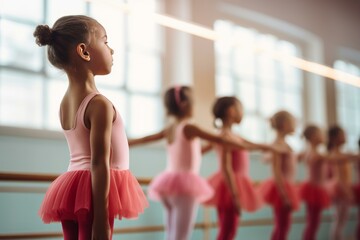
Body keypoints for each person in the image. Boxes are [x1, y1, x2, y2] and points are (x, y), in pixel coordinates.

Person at [35, 15, 148, 240]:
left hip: (72, 187)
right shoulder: (99, 104)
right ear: (84, 52)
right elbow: (98, 163)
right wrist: (101, 220)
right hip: (94, 192)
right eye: (105, 42)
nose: (112, 50)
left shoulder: (65, 103)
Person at [129, 86, 260, 240]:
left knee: (171, 234)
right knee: (181, 236)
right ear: (185, 105)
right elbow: (220, 139)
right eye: (193, 103)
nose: (195, 106)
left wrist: (124, 142)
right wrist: (258, 146)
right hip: (185, 187)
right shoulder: (189, 127)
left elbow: (144, 139)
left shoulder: (171, 128)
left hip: (167, 185)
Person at [204, 96, 279, 240]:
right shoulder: (225, 135)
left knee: (229, 230)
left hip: (232, 185)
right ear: (231, 111)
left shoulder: (234, 136)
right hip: (230, 185)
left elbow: (253, 145)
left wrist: (273, 146)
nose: (243, 113)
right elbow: (226, 167)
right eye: (241, 109)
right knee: (227, 230)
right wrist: (235, 195)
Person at [259, 110, 300, 240]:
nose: (295, 125)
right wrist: (284, 195)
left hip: (287, 186)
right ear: (284, 124)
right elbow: (276, 172)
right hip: (282, 188)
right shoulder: (278, 145)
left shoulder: (285, 144)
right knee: (282, 226)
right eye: (292, 122)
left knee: (283, 226)